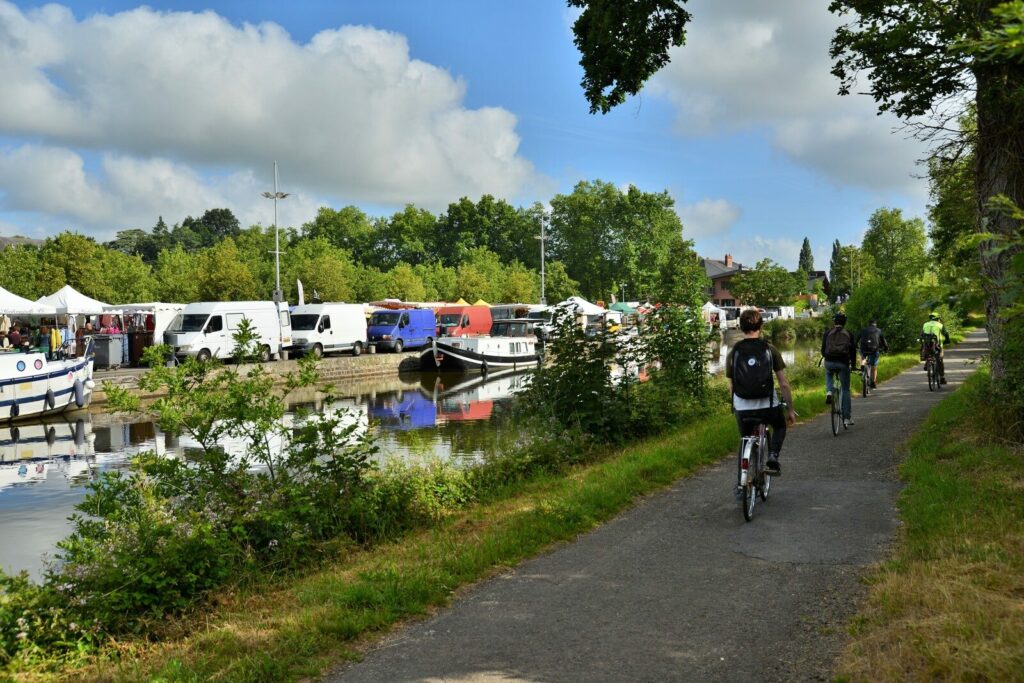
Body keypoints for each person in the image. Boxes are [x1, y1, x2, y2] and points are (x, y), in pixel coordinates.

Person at [726, 308, 797, 486]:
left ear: (741, 327)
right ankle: (772, 455)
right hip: (767, 405)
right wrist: (790, 409)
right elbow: (783, 383)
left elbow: (731, 385)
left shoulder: (734, 351)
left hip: (742, 407)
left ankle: (741, 484)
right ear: (761, 326)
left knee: (744, 441)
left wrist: (735, 406)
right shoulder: (769, 349)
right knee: (780, 426)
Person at [822, 311, 857, 427]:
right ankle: (847, 418)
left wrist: (828, 357)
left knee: (828, 373)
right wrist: (853, 365)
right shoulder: (849, 334)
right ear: (844, 322)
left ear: (834, 321)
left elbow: (823, 350)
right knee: (846, 389)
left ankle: (829, 391)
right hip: (843, 363)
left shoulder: (827, 333)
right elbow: (853, 351)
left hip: (829, 362)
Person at [857, 318, 889, 389]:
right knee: (874, 366)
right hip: (874, 350)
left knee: (862, 356)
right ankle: (873, 382)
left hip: (864, 349)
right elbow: (884, 341)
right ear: (875, 324)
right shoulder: (878, 330)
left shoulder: (863, 330)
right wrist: (886, 348)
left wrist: (856, 345)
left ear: (869, 324)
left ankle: (862, 366)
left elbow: (857, 339)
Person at [921, 312, 950, 384]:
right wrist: (947, 340)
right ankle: (942, 378)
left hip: (926, 345)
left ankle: (927, 362)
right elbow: (946, 334)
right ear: (938, 319)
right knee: (940, 360)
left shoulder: (925, 324)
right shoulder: (940, 325)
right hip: (937, 345)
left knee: (927, 353)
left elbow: (921, 334)